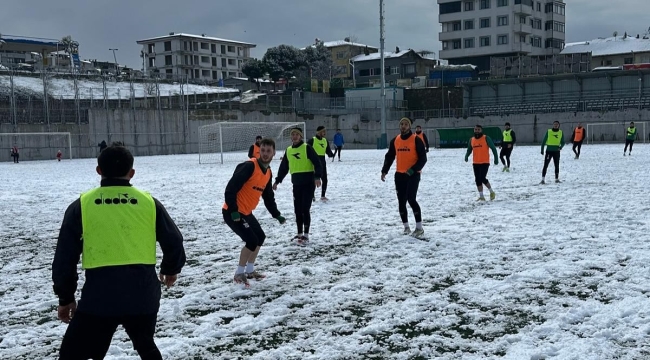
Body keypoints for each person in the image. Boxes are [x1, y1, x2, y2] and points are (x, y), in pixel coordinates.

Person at [52, 142, 186, 360]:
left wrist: (65, 297)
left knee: (73, 354)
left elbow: (64, 258)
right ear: (131, 173)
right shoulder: (149, 203)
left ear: (99, 171)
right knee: (146, 346)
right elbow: (174, 241)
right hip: (143, 295)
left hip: (100, 298)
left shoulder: (82, 206)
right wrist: (171, 269)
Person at [223, 138, 286, 287]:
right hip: (232, 212)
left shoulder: (268, 172)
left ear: (274, 153)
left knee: (260, 237)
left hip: (246, 212)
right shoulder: (249, 166)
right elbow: (230, 188)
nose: (265, 154)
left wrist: (276, 214)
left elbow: (268, 196)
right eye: (262, 150)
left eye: (268, 151)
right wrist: (233, 210)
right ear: (259, 151)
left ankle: (250, 270)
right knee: (251, 240)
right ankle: (239, 273)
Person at [273, 127, 322, 244]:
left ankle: (306, 235)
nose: (294, 136)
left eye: (297, 134)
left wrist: (317, 177)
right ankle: (299, 233)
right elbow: (284, 167)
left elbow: (317, 163)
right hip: (296, 184)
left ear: (300, 136)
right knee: (297, 210)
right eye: (293, 134)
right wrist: (277, 181)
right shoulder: (289, 150)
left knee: (305, 209)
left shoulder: (307, 148)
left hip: (308, 183)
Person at [381, 117, 427, 239]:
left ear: (409, 126)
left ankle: (419, 228)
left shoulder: (416, 140)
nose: (403, 126)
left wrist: (413, 169)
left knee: (411, 199)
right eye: (401, 124)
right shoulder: (395, 140)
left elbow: (423, 158)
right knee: (401, 201)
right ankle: (406, 227)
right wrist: (384, 170)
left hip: (413, 174)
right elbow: (390, 156)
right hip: (399, 175)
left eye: (406, 124)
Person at [465, 125, 499, 201]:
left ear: (481, 130)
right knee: (477, 179)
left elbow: (493, 148)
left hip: (485, 162)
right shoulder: (472, 140)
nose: (477, 131)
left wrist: (496, 158)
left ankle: (491, 192)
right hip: (475, 162)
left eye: (478, 129)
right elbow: (469, 149)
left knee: (482, 177)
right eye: (475, 129)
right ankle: (481, 196)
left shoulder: (486, 138)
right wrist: (466, 156)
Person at [307, 126, 334, 201]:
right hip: (313, 162)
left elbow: (328, 151)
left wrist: (331, 154)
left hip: (322, 162)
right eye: (323, 131)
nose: (324, 133)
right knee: (314, 180)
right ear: (318, 132)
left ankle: (323, 196)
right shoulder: (312, 140)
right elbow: (306, 149)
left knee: (325, 179)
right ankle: (312, 196)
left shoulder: (325, 141)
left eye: (325, 131)